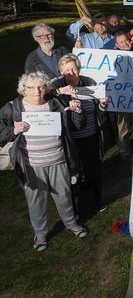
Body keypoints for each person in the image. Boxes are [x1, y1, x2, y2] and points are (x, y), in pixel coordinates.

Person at [0, 72, 88, 252]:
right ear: (23, 89)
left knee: (64, 195)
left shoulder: (55, 103)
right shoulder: (14, 107)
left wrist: (77, 110)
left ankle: (71, 223)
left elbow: (78, 125)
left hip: (58, 160)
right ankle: (40, 233)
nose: (36, 91)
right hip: (31, 164)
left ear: (46, 88)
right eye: (31, 88)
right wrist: (12, 130)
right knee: (36, 200)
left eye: (41, 87)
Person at [50, 54, 108, 218]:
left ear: (79, 68)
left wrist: (104, 104)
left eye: (74, 68)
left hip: (90, 134)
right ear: (61, 71)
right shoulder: (56, 84)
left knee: (93, 169)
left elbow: (100, 108)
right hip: (69, 138)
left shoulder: (89, 82)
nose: (70, 72)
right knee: (74, 173)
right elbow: (45, 96)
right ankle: (77, 205)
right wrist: (60, 91)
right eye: (66, 70)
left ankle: (97, 200)